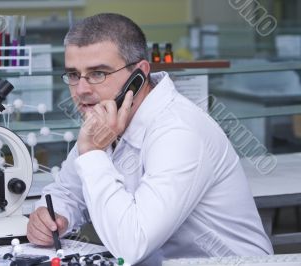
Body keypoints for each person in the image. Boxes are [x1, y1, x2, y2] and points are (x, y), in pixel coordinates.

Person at [27, 13, 273, 265]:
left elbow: (131, 245)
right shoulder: (105, 123)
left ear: (139, 74)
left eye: (98, 73)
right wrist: (52, 215)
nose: (81, 90)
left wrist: (92, 154)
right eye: (73, 75)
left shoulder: (178, 131)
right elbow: (67, 192)